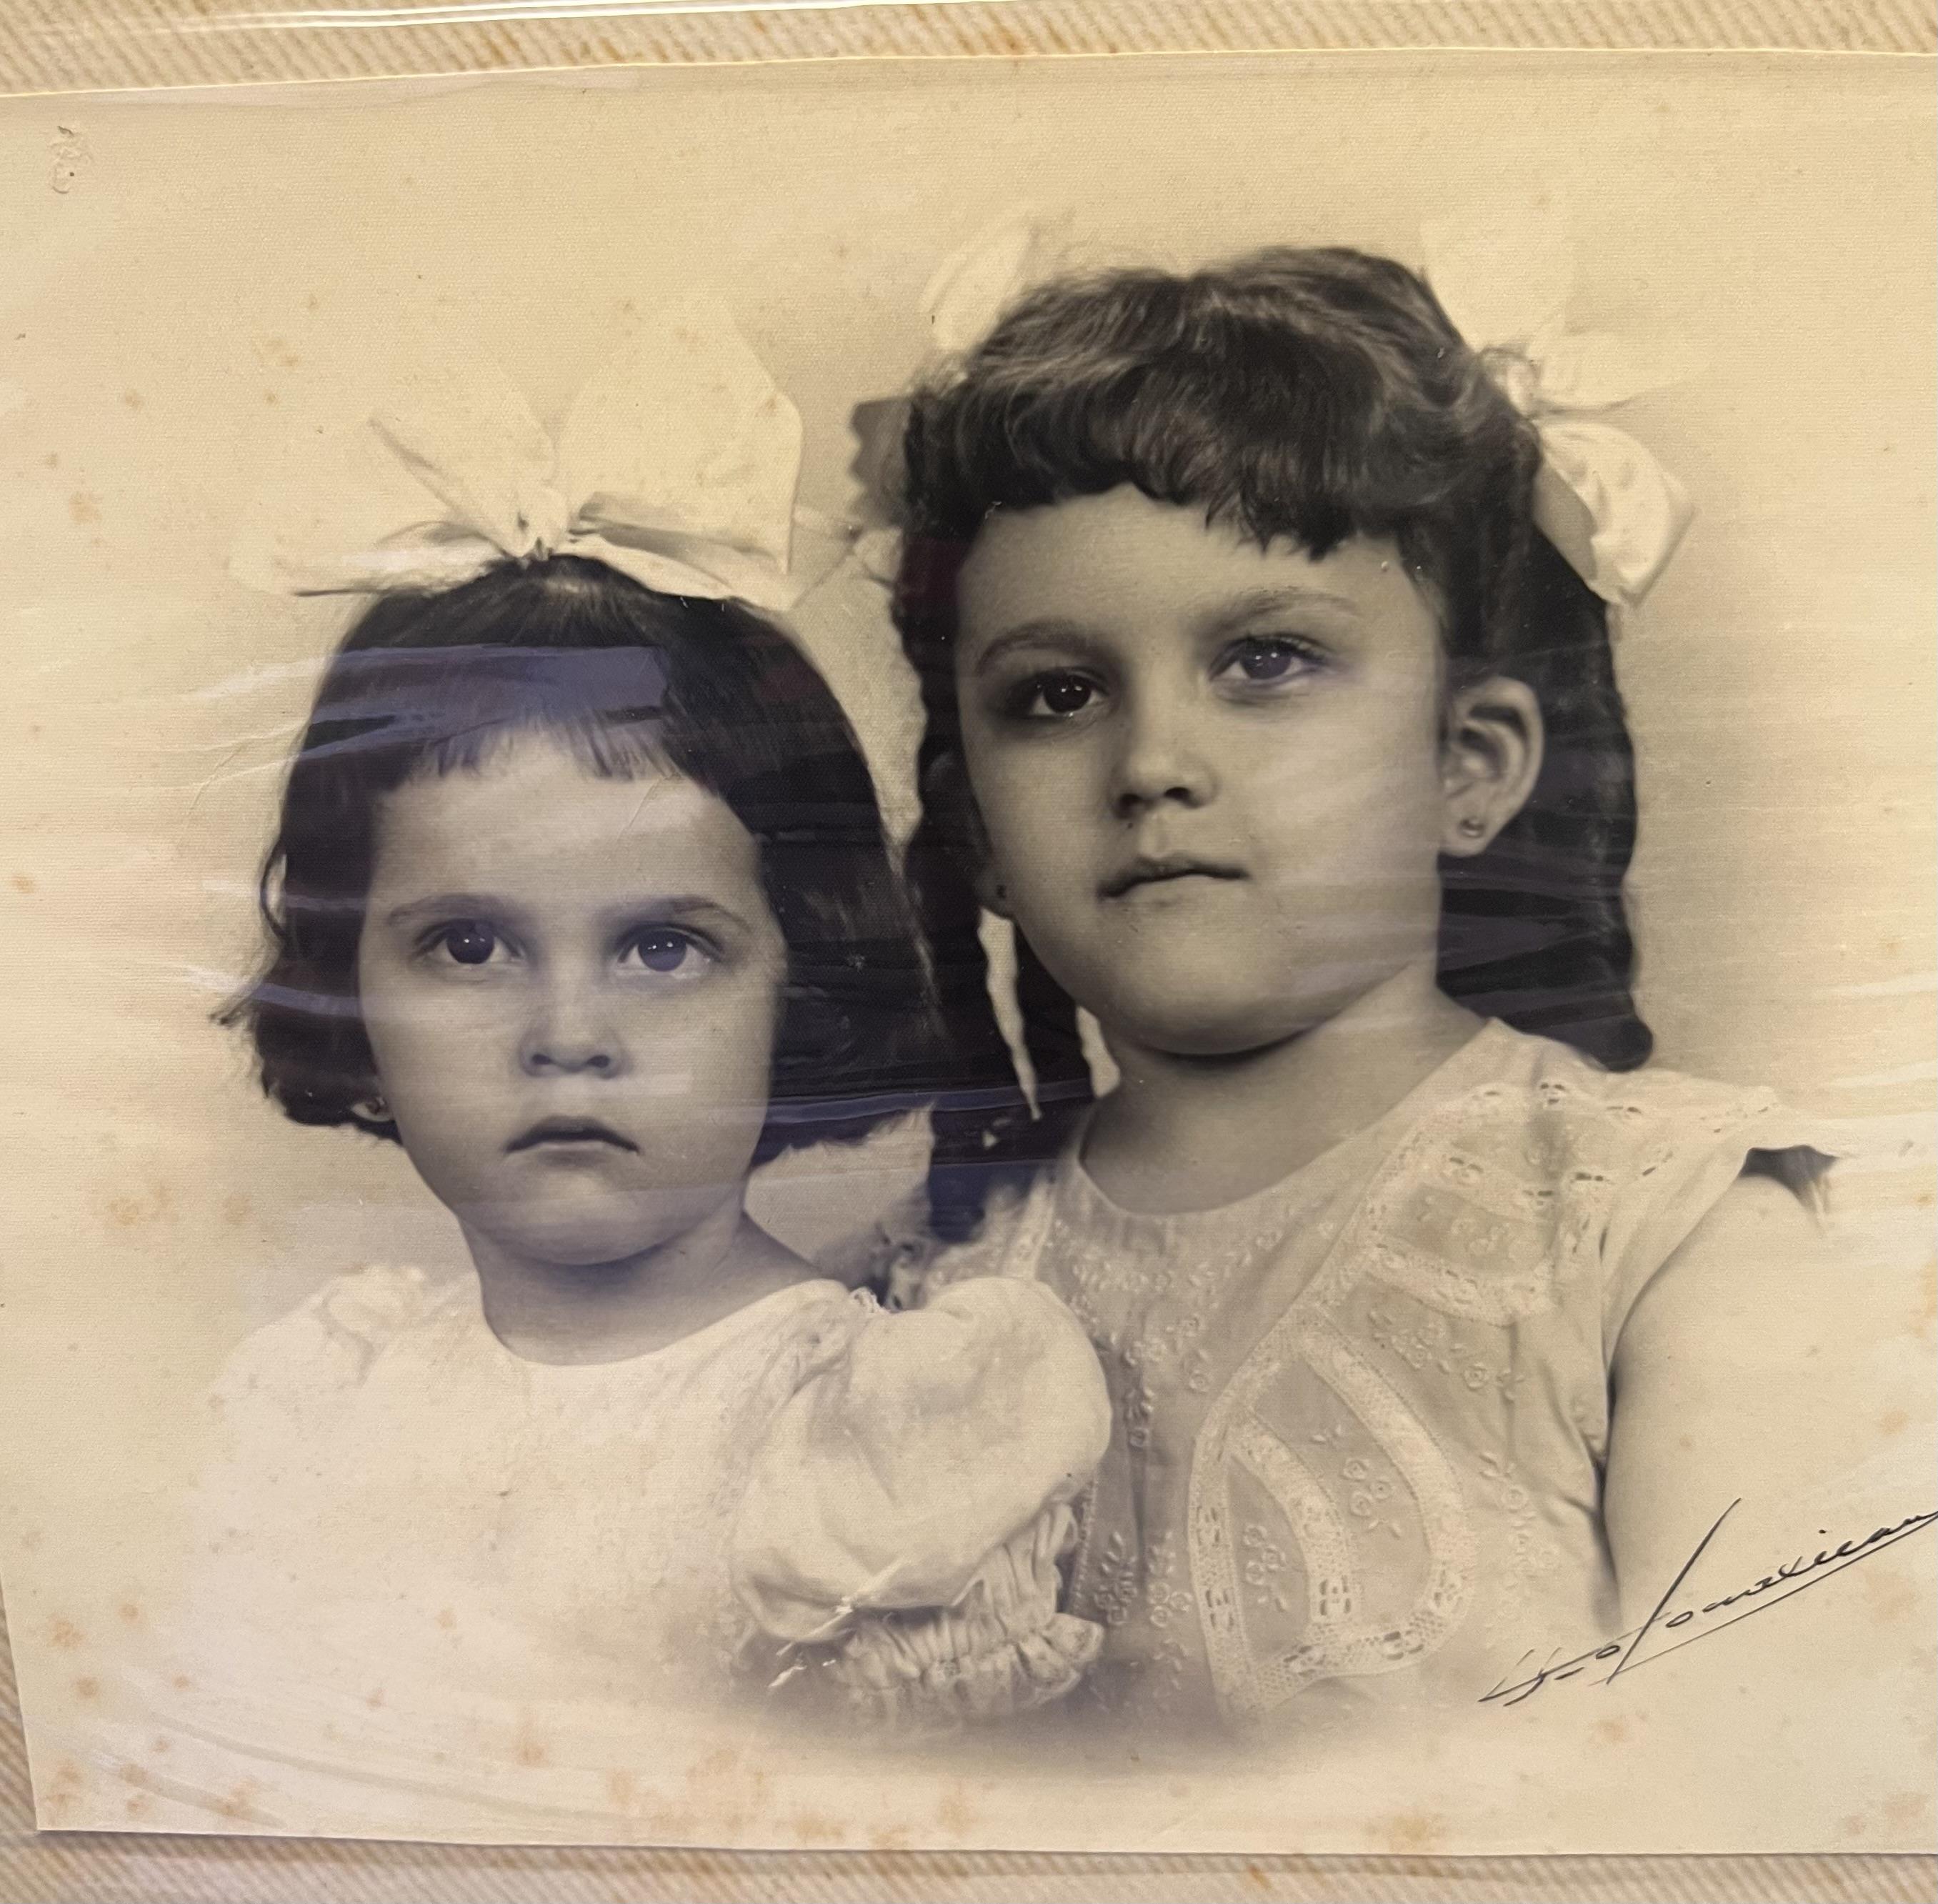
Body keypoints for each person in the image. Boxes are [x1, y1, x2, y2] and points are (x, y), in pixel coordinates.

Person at [72, 312, 1109, 1833]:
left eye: (662, 948)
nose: (570, 1030)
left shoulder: (868, 1437)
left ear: (801, 971)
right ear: (349, 981)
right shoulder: (317, 1393)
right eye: (471, 947)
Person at [874, 241, 1847, 1738]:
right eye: (1055, 695)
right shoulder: (918, 1296)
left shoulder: (1665, 1238)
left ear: (1468, 766)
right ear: (978, 828)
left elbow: (1763, 1797)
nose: (1151, 764)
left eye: (1264, 660)